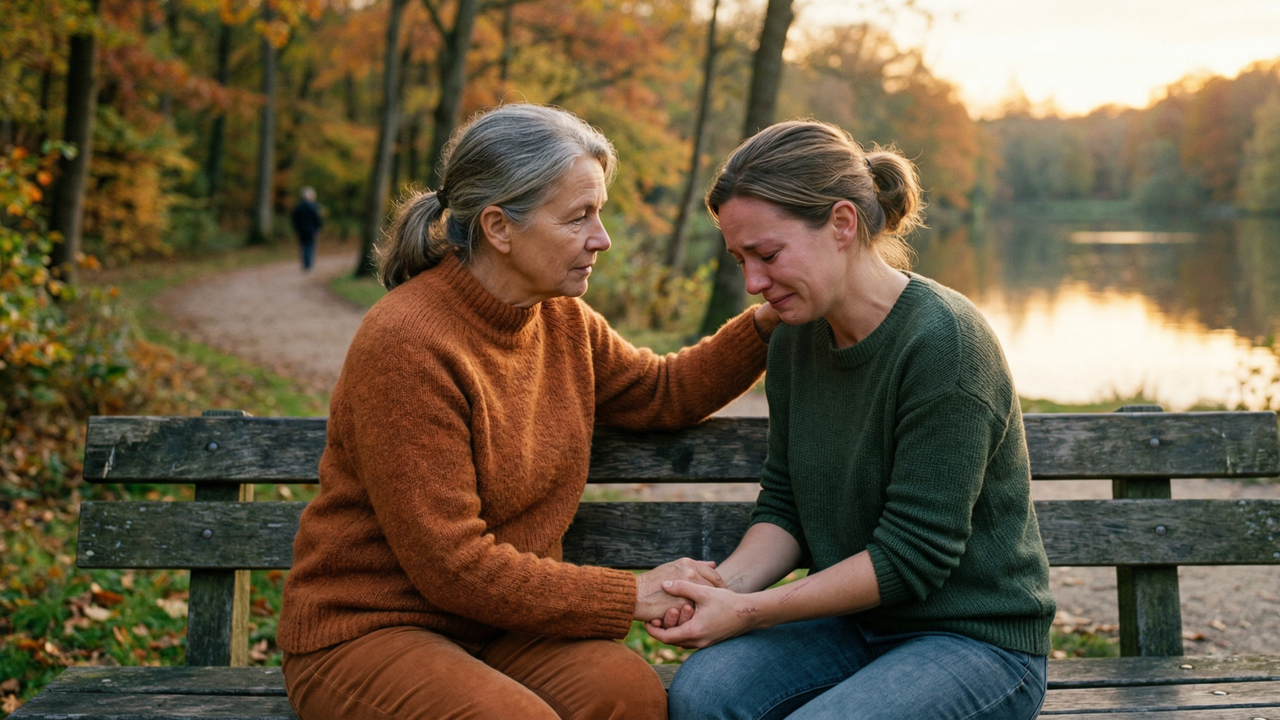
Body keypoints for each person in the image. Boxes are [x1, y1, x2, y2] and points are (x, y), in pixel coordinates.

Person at [276, 104, 781, 720]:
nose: (602, 238)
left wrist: (768, 320)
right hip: (369, 631)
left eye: (599, 212)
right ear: (499, 227)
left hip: (500, 626)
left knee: (629, 696)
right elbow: (452, 567)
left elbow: (659, 393)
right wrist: (631, 594)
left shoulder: (561, 319)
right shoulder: (407, 342)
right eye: (578, 217)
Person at [651, 120, 1056, 720]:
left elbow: (912, 556)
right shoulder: (794, 336)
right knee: (701, 694)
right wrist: (719, 591)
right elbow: (786, 504)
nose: (753, 283)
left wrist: (749, 612)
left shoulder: (946, 343)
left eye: (767, 254)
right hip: (852, 627)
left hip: (975, 642)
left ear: (842, 224)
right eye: (741, 259)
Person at [290, 187, 323, 271]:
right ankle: (308, 264)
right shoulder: (313, 206)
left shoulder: (298, 207)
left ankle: (306, 263)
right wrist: (319, 227)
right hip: (311, 229)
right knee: (310, 246)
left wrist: (296, 228)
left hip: (301, 229)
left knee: (304, 246)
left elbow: (294, 218)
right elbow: (317, 218)